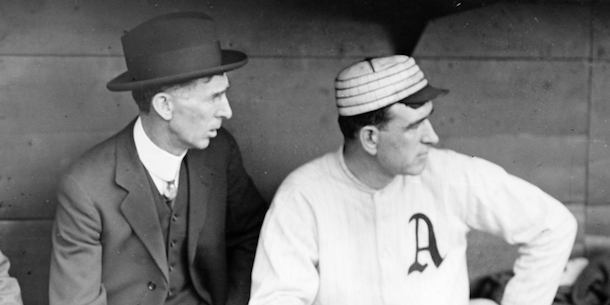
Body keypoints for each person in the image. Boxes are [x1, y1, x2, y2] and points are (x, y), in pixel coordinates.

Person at [249, 55, 577, 305]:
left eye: (428, 120)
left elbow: (553, 225)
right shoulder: (303, 196)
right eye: (413, 126)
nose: (432, 137)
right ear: (370, 138)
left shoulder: (447, 173)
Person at [49, 12, 267, 305]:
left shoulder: (220, 152)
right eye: (214, 97)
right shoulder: (85, 186)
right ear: (164, 106)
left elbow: (253, 235)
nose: (227, 112)